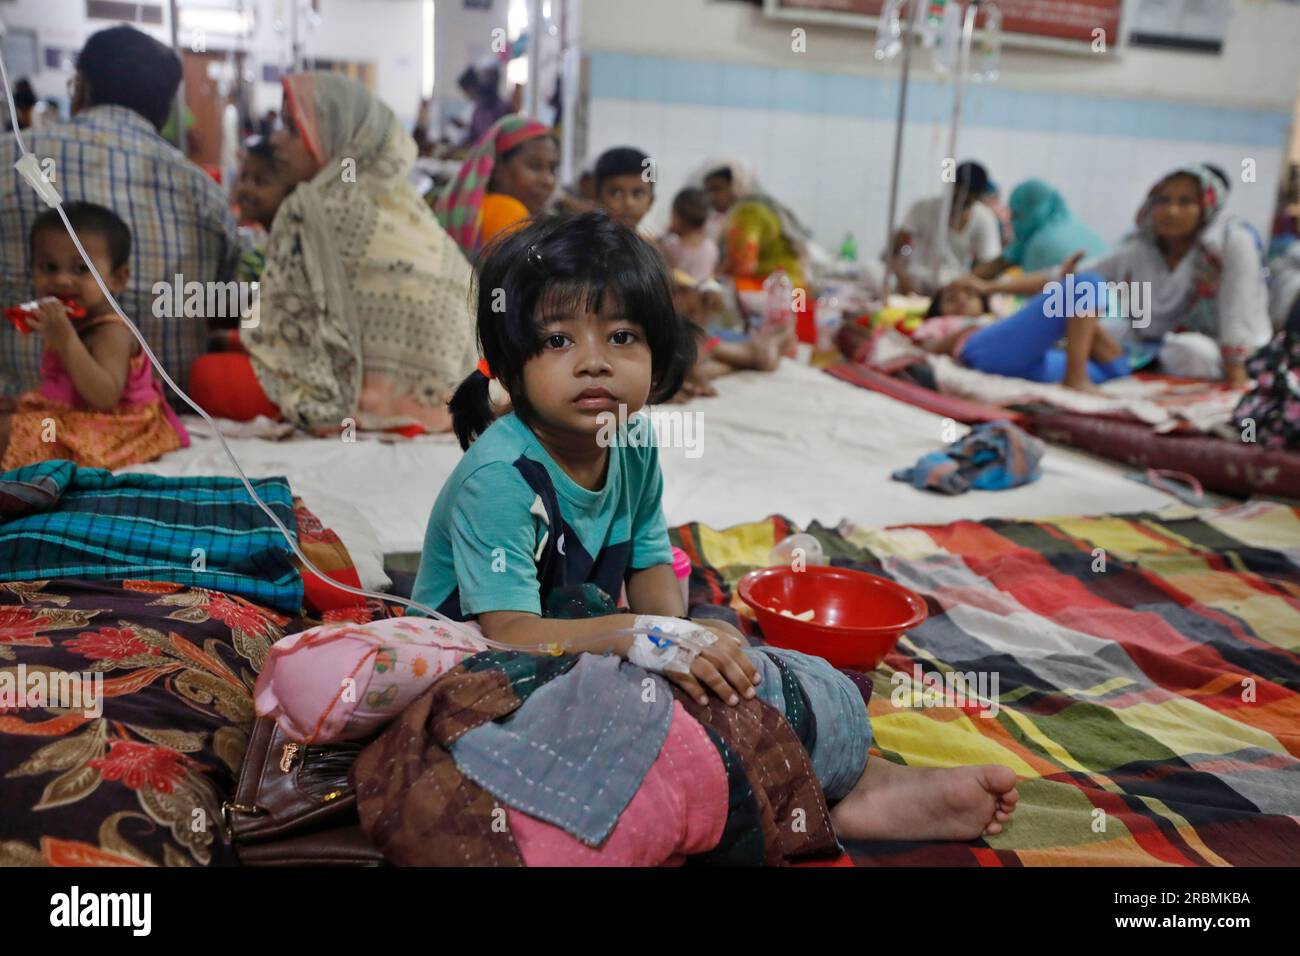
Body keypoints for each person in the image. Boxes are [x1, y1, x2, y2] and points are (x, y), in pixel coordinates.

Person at [419, 211, 1020, 843]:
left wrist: (675, 639)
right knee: (635, 726)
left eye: (621, 337)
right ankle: (831, 800)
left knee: (751, 662)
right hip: (494, 673)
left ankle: (845, 782)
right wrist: (645, 636)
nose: (594, 363)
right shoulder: (500, 479)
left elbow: (650, 562)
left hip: (587, 647)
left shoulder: (633, 439)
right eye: (560, 341)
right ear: (511, 367)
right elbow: (509, 634)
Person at [189, 72, 478, 432]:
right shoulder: (407, 209)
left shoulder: (312, 207)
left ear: (336, 136)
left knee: (206, 377)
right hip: (458, 400)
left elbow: (289, 338)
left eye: (293, 128)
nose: (278, 140)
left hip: (359, 395)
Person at [0, 25, 238, 402]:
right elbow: (224, 302)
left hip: (21, 426)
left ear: (79, 87)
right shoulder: (205, 191)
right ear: (165, 111)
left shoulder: (11, 158)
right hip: (168, 417)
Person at [960, 164, 1271, 386]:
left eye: (1186, 202)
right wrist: (985, 288)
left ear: (1207, 207)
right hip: (1149, 345)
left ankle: (1078, 371)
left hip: (1221, 350)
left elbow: (1237, 312)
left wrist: (1237, 380)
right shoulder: (1140, 249)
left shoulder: (1230, 244)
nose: (1171, 211)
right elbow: (1061, 277)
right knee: (1093, 309)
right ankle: (1079, 369)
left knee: (1189, 351)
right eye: (1164, 200)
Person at [1, 204, 189, 469]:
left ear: (118, 278)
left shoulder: (112, 331)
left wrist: (65, 339)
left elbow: (103, 397)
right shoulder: (69, 320)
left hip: (116, 428)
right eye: (49, 267)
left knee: (12, 433)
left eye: (81, 269)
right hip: (73, 414)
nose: (63, 280)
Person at [919, 270, 1130, 392]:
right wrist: (966, 332)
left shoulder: (1002, 319)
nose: (961, 299)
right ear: (938, 310)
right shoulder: (943, 323)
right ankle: (1075, 379)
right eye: (950, 299)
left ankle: (1076, 330)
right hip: (982, 350)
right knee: (1087, 284)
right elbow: (927, 347)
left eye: (969, 293)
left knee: (1116, 370)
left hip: (1026, 361)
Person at [437, 114, 557, 258]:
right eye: (534, 166)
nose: (548, 180)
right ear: (498, 168)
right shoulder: (508, 212)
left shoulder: (472, 211)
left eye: (553, 168)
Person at [892, 161, 1002, 295]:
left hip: (952, 285)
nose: (959, 204)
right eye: (956, 197)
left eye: (966, 201)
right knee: (870, 270)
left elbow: (989, 264)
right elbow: (895, 249)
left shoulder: (984, 218)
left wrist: (962, 284)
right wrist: (903, 277)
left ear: (978, 197)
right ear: (952, 187)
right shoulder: (923, 208)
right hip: (915, 280)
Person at [972, 179, 1107, 278]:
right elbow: (1007, 259)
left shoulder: (1042, 245)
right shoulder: (1068, 223)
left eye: (1017, 215)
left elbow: (1037, 298)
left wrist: (981, 287)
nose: (1013, 222)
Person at [231, 135, 290, 282]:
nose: (246, 188)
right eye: (243, 177)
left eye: (260, 181)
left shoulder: (288, 252)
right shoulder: (263, 244)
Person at [658, 187, 719, 284]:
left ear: (678, 218)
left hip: (680, 296)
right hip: (703, 295)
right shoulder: (711, 246)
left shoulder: (670, 247)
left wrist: (666, 234)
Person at [593, 146, 656, 236]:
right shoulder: (583, 246)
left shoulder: (654, 248)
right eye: (616, 193)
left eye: (637, 193)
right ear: (598, 196)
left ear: (651, 201)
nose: (628, 203)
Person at [458, 65, 511, 149]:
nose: (465, 95)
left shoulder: (494, 109)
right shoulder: (479, 109)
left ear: (472, 88)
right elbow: (474, 134)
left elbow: (487, 138)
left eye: (465, 92)